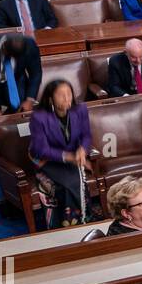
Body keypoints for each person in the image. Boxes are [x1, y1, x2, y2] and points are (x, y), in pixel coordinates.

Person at [28, 78, 93, 229]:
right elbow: (40, 149)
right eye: (61, 95)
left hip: (72, 159)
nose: (66, 98)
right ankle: (68, 226)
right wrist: (68, 157)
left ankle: (85, 220)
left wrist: (83, 149)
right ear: (50, 98)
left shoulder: (80, 109)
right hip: (48, 161)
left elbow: (86, 135)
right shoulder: (39, 117)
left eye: (69, 93)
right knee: (68, 186)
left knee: (77, 182)